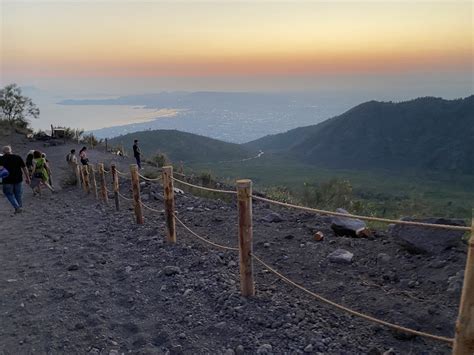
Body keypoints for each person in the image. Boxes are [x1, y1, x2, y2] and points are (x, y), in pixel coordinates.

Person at [0, 145, 31, 213]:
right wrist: (27, 178)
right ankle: (19, 208)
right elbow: (24, 168)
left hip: (7, 180)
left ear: (3, 152)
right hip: (18, 179)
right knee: (18, 194)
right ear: (11, 150)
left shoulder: (1, 159)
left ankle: (17, 208)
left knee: (9, 194)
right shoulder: (17, 157)